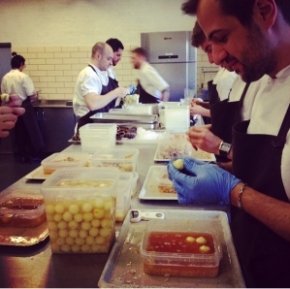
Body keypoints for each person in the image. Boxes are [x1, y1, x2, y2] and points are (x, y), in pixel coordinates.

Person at [168, 0, 290, 287]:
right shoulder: (259, 81)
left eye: (221, 39)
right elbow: (268, 171)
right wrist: (218, 171)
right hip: (247, 262)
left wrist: (234, 190)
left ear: (264, 11)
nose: (216, 57)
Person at [189, 22, 260, 163]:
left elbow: (263, 164)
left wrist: (221, 146)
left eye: (210, 48)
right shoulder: (242, 78)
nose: (213, 59)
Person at [73, 42, 128, 130]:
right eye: (108, 59)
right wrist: (116, 92)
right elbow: (93, 104)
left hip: (99, 126)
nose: (111, 62)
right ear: (98, 56)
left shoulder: (101, 73)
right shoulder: (89, 74)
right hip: (88, 128)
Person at [1, 53, 44, 162]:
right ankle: (34, 155)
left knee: (18, 132)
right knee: (31, 131)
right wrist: (35, 95)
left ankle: (21, 156)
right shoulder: (23, 76)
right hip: (25, 105)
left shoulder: (5, 77)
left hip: (12, 107)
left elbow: (3, 93)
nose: (24, 67)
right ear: (21, 64)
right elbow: (31, 94)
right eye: (24, 64)